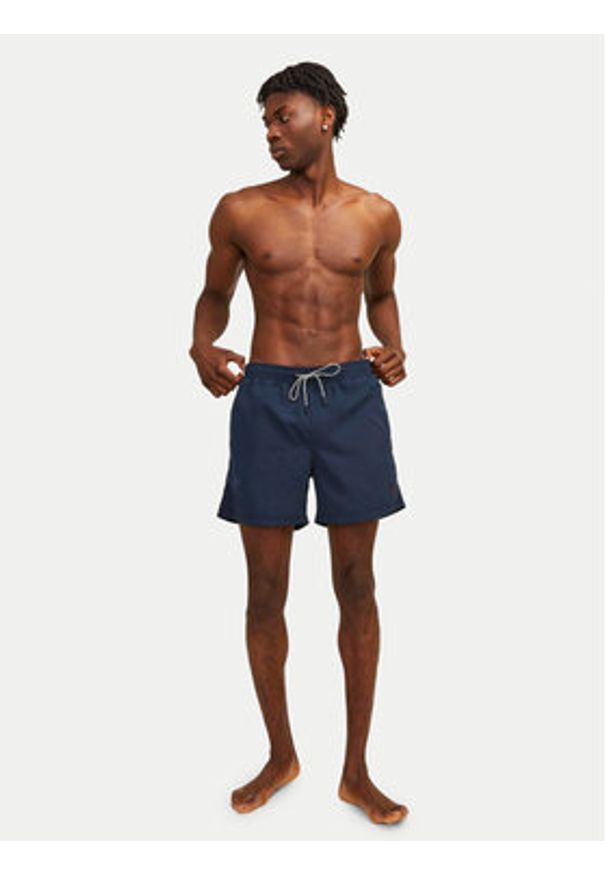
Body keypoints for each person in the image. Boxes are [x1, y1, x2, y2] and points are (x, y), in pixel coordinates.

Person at [189, 61, 409, 826]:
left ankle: (357, 771)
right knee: (265, 589)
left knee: (357, 583)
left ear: (326, 116)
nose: (271, 133)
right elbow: (214, 294)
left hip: (351, 398)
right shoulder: (241, 210)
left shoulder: (377, 213)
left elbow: (383, 294)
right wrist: (201, 343)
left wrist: (395, 348)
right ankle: (280, 753)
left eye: (283, 117)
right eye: (265, 122)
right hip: (266, 401)